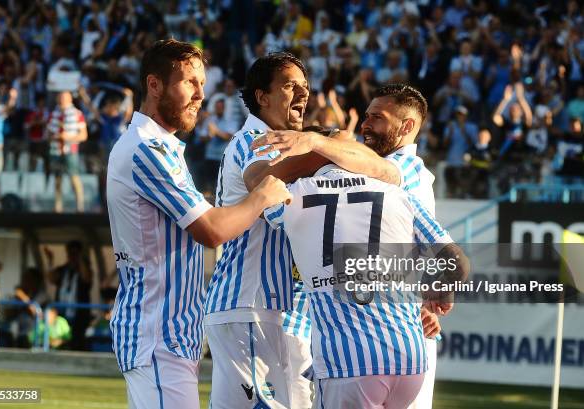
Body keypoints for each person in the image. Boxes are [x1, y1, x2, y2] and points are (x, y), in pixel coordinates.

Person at [106, 39, 291, 409]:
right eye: (190, 82)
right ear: (154, 85)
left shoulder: (157, 146)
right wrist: (262, 195)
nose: (200, 95)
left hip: (167, 335)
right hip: (157, 334)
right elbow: (210, 230)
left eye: (203, 84)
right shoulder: (146, 148)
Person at [251, 83, 447, 409]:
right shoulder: (370, 170)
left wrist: (315, 142)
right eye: (366, 116)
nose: (366, 126)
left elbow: (260, 184)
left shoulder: (404, 171)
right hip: (385, 335)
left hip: (386, 337)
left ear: (407, 126)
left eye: (377, 118)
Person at [262, 163, 469, 409]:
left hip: (349, 362)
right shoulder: (398, 193)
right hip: (409, 360)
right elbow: (458, 263)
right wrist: (442, 289)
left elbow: (260, 196)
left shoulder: (294, 192)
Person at [45, 241, 93, 351]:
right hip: (62, 314)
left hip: (79, 315)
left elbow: (87, 278)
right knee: (60, 340)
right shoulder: (64, 269)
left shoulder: (84, 270)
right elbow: (51, 278)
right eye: (70, 254)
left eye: (75, 254)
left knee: (77, 341)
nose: (72, 257)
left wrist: (80, 259)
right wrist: (50, 260)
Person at [46, 90, 88, 213]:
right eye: (60, 98)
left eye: (64, 98)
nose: (62, 100)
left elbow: (83, 136)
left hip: (71, 150)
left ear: (70, 99)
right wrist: (55, 137)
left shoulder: (77, 114)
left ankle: (80, 206)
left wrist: (67, 137)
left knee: (74, 177)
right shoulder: (53, 114)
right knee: (57, 178)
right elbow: (48, 134)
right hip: (56, 151)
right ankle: (58, 207)